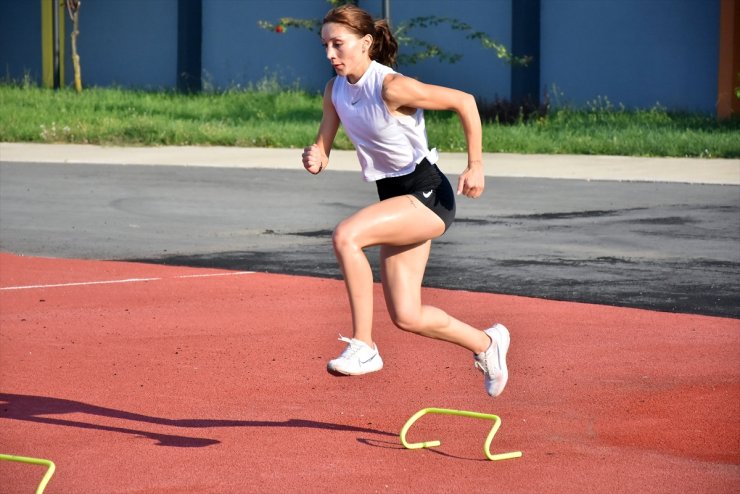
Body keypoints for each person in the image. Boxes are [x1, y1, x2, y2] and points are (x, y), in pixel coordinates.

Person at [301, 4, 510, 397]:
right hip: (396, 198)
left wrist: (476, 165)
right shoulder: (335, 91)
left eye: (338, 44)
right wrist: (317, 156)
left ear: (365, 44)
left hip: (428, 195)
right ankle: (488, 344)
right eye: (325, 44)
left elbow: (464, 101)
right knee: (407, 315)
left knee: (347, 235)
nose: (330, 53)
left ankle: (364, 346)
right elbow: (323, 146)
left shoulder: (391, 86)